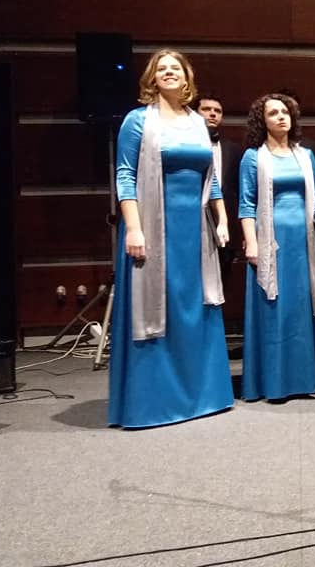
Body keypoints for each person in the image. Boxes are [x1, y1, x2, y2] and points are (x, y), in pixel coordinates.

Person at [108, 49, 234, 428]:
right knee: (157, 309)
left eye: (174, 68)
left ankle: (202, 397)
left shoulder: (197, 122)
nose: (168, 72)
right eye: (160, 68)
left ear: (186, 77)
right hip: (152, 227)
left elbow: (211, 178)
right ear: (152, 78)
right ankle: (155, 405)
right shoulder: (137, 121)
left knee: (195, 307)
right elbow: (125, 175)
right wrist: (133, 227)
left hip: (194, 231)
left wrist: (221, 219)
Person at [239, 93, 315, 400]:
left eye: (285, 112)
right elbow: (246, 204)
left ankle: (303, 380)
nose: (281, 117)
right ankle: (273, 382)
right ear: (262, 121)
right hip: (271, 241)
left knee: (301, 306)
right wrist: (252, 243)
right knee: (274, 308)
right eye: (273, 113)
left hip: (302, 243)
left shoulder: (304, 155)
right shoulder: (253, 157)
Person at [195, 93, 242, 283]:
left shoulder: (233, 149)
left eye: (217, 111)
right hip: (192, 221)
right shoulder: (184, 146)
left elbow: (239, 191)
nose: (213, 114)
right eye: (206, 109)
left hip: (225, 228)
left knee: (223, 283)